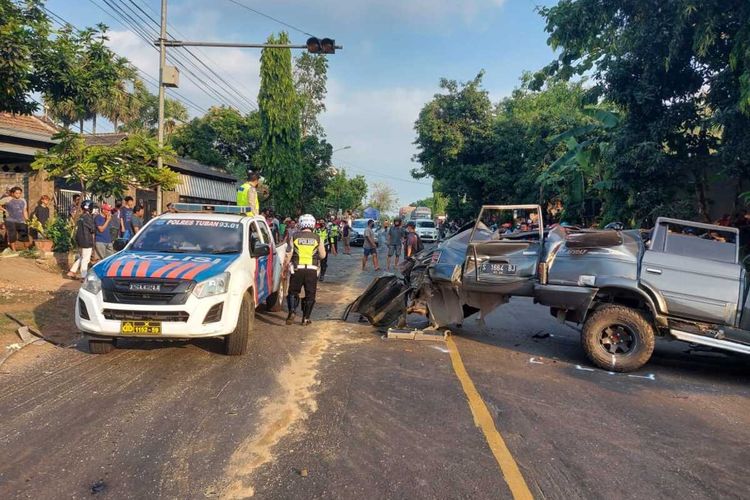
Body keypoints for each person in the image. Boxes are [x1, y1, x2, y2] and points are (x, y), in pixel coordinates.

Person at [286, 214, 326, 326]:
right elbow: (322, 255)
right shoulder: (318, 238)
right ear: (313, 224)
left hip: (297, 269)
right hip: (312, 270)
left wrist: (285, 266)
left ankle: (292, 311)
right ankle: (306, 318)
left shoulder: (294, 236)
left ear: (300, 223)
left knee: (293, 292)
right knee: (310, 294)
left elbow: (289, 253)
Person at [67, 200, 96, 280]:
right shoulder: (88, 217)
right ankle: (84, 276)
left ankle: (72, 272)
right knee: (86, 259)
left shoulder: (81, 217)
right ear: (89, 208)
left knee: (82, 257)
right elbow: (93, 229)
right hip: (86, 240)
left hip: (79, 240)